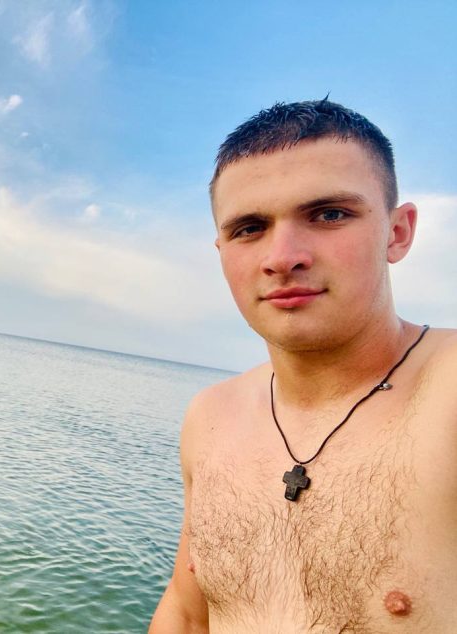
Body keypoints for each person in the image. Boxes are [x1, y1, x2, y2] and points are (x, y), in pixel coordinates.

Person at [149, 100, 457, 632]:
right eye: (249, 228)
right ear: (221, 250)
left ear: (397, 232)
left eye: (329, 214)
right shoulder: (211, 416)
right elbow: (187, 611)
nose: (282, 257)